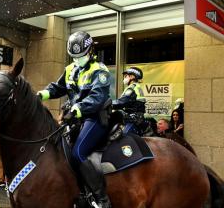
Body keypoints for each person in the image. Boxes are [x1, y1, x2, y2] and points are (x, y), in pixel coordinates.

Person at [37, 31, 112, 208]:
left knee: (78, 153)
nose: (77, 59)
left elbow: (97, 97)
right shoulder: (70, 69)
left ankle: (101, 199)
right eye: (74, 56)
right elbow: (58, 87)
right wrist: (41, 95)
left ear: (90, 50)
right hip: (74, 120)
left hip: (94, 118)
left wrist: (77, 109)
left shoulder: (100, 70)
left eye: (81, 56)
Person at [112, 67, 146, 135]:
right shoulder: (136, 87)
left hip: (133, 119)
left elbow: (122, 102)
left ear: (132, 76)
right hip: (136, 118)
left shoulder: (132, 87)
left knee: (122, 139)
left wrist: (109, 104)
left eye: (125, 76)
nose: (124, 78)